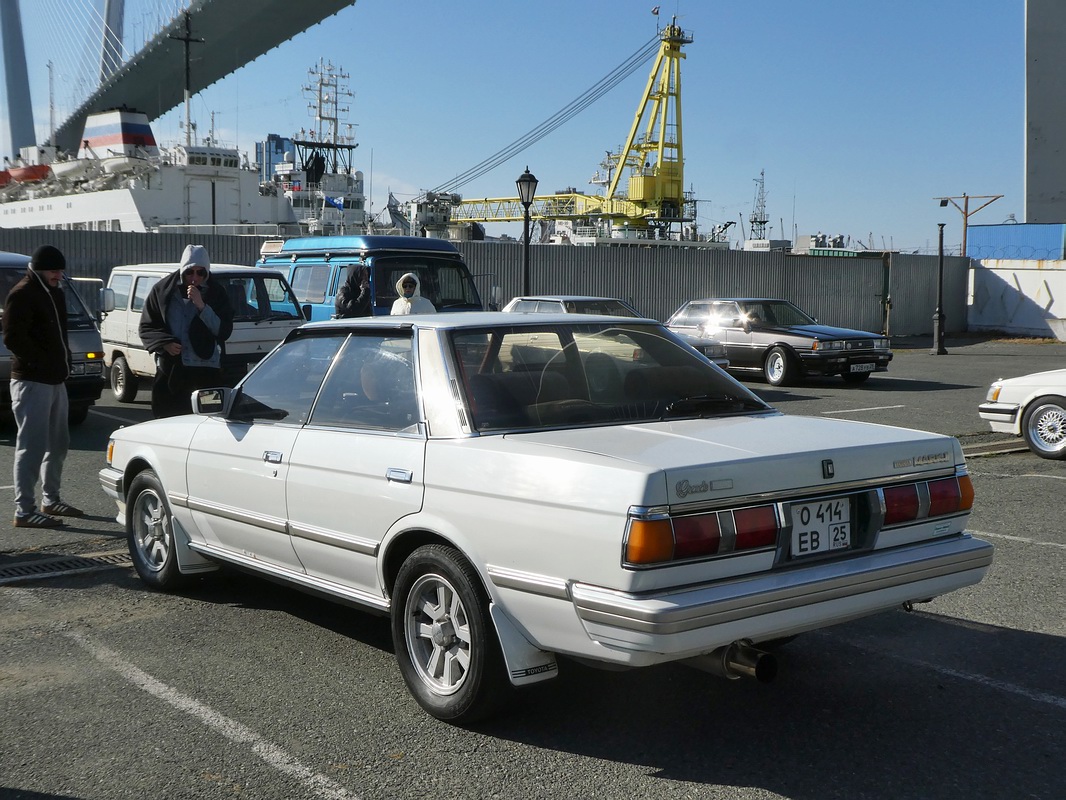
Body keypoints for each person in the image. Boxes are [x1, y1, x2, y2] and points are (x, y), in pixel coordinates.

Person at [2, 245, 82, 528]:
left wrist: (64, 365)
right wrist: (42, 364)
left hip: (55, 380)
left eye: (60, 270)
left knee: (59, 443)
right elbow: (12, 338)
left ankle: (51, 499)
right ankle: (24, 510)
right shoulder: (22, 294)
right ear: (39, 269)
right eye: (53, 270)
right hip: (31, 382)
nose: (59, 275)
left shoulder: (56, 293)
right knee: (31, 447)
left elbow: (61, 334)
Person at [139, 245, 234, 418]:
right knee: (168, 420)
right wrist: (165, 343)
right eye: (190, 272)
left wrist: (201, 306)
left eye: (200, 273)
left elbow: (223, 331)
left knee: (208, 420)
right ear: (182, 271)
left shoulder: (217, 293)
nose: (194, 278)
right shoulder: (162, 290)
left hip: (206, 370)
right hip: (172, 370)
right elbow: (147, 326)